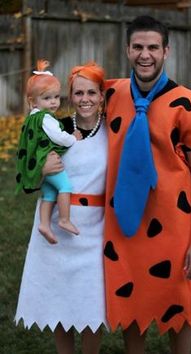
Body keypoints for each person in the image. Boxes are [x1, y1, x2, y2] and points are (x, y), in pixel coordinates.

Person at [102, 15, 191, 354]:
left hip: (174, 228)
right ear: (128, 50)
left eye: (153, 47)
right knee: (130, 305)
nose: (146, 55)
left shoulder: (187, 104)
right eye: (138, 47)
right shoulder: (111, 95)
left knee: (180, 307)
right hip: (125, 226)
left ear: (167, 51)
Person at [15, 62, 108, 354]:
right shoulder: (54, 127)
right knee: (60, 299)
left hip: (94, 228)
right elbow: (24, 169)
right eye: (78, 92)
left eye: (92, 92)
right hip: (55, 226)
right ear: (69, 96)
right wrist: (40, 170)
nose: (85, 99)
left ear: (102, 95)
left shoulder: (111, 131)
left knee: (92, 303)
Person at [16, 59, 80, 244]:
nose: (53, 102)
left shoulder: (32, 117)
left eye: (56, 97)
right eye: (47, 98)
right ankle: (64, 219)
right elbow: (59, 136)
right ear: (32, 101)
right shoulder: (46, 118)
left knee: (49, 194)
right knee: (65, 187)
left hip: (39, 160)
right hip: (48, 159)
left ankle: (44, 224)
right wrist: (73, 138)